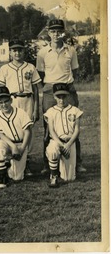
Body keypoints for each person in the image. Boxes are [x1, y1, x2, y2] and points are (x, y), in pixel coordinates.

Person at [36, 19, 86, 174]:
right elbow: (41, 73)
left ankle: (77, 162)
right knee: (48, 127)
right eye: (53, 31)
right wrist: (52, 84)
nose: (56, 34)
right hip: (50, 90)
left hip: (68, 89)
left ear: (63, 33)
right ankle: (47, 163)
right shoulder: (43, 52)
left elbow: (75, 71)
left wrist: (65, 84)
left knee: (72, 124)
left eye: (58, 31)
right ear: (48, 33)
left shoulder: (70, 50)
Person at [0, 39, 41, 176]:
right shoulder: (5, 68)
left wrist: (36, 107)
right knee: (12, 129)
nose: (17, 52)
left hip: (27, 100)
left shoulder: (30, 67)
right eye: (14, 50)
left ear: (24, 51)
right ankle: (9, 158)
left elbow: (36, 89)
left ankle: (27, 162)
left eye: (20, 49)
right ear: (10, 52)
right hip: (12, 100)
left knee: (28, 130)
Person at [0, 86, 32, 189]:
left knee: (17, 177)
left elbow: (28, 132)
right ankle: (3, 176)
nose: (4, 105)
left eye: (6, 101)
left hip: (21, 144)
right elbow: (0, 135)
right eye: (0, 103)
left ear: (11, 99)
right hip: (7, 144)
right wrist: (13, 147)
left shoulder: (21, 112)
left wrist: (21, 148)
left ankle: (4, 165)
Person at [44, 83, 83, 188]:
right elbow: (51, 131)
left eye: (64, 96)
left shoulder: (75, 110)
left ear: (68, 96)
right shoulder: (51, 111)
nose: (61, 100)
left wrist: (68, 144)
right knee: (52, 150)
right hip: (57, 141)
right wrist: (61, 144)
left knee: (69, 178)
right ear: (54, 96)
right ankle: (53, 175)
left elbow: (77, 130)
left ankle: (60, 167)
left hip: (70, 143)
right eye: (58, 97)